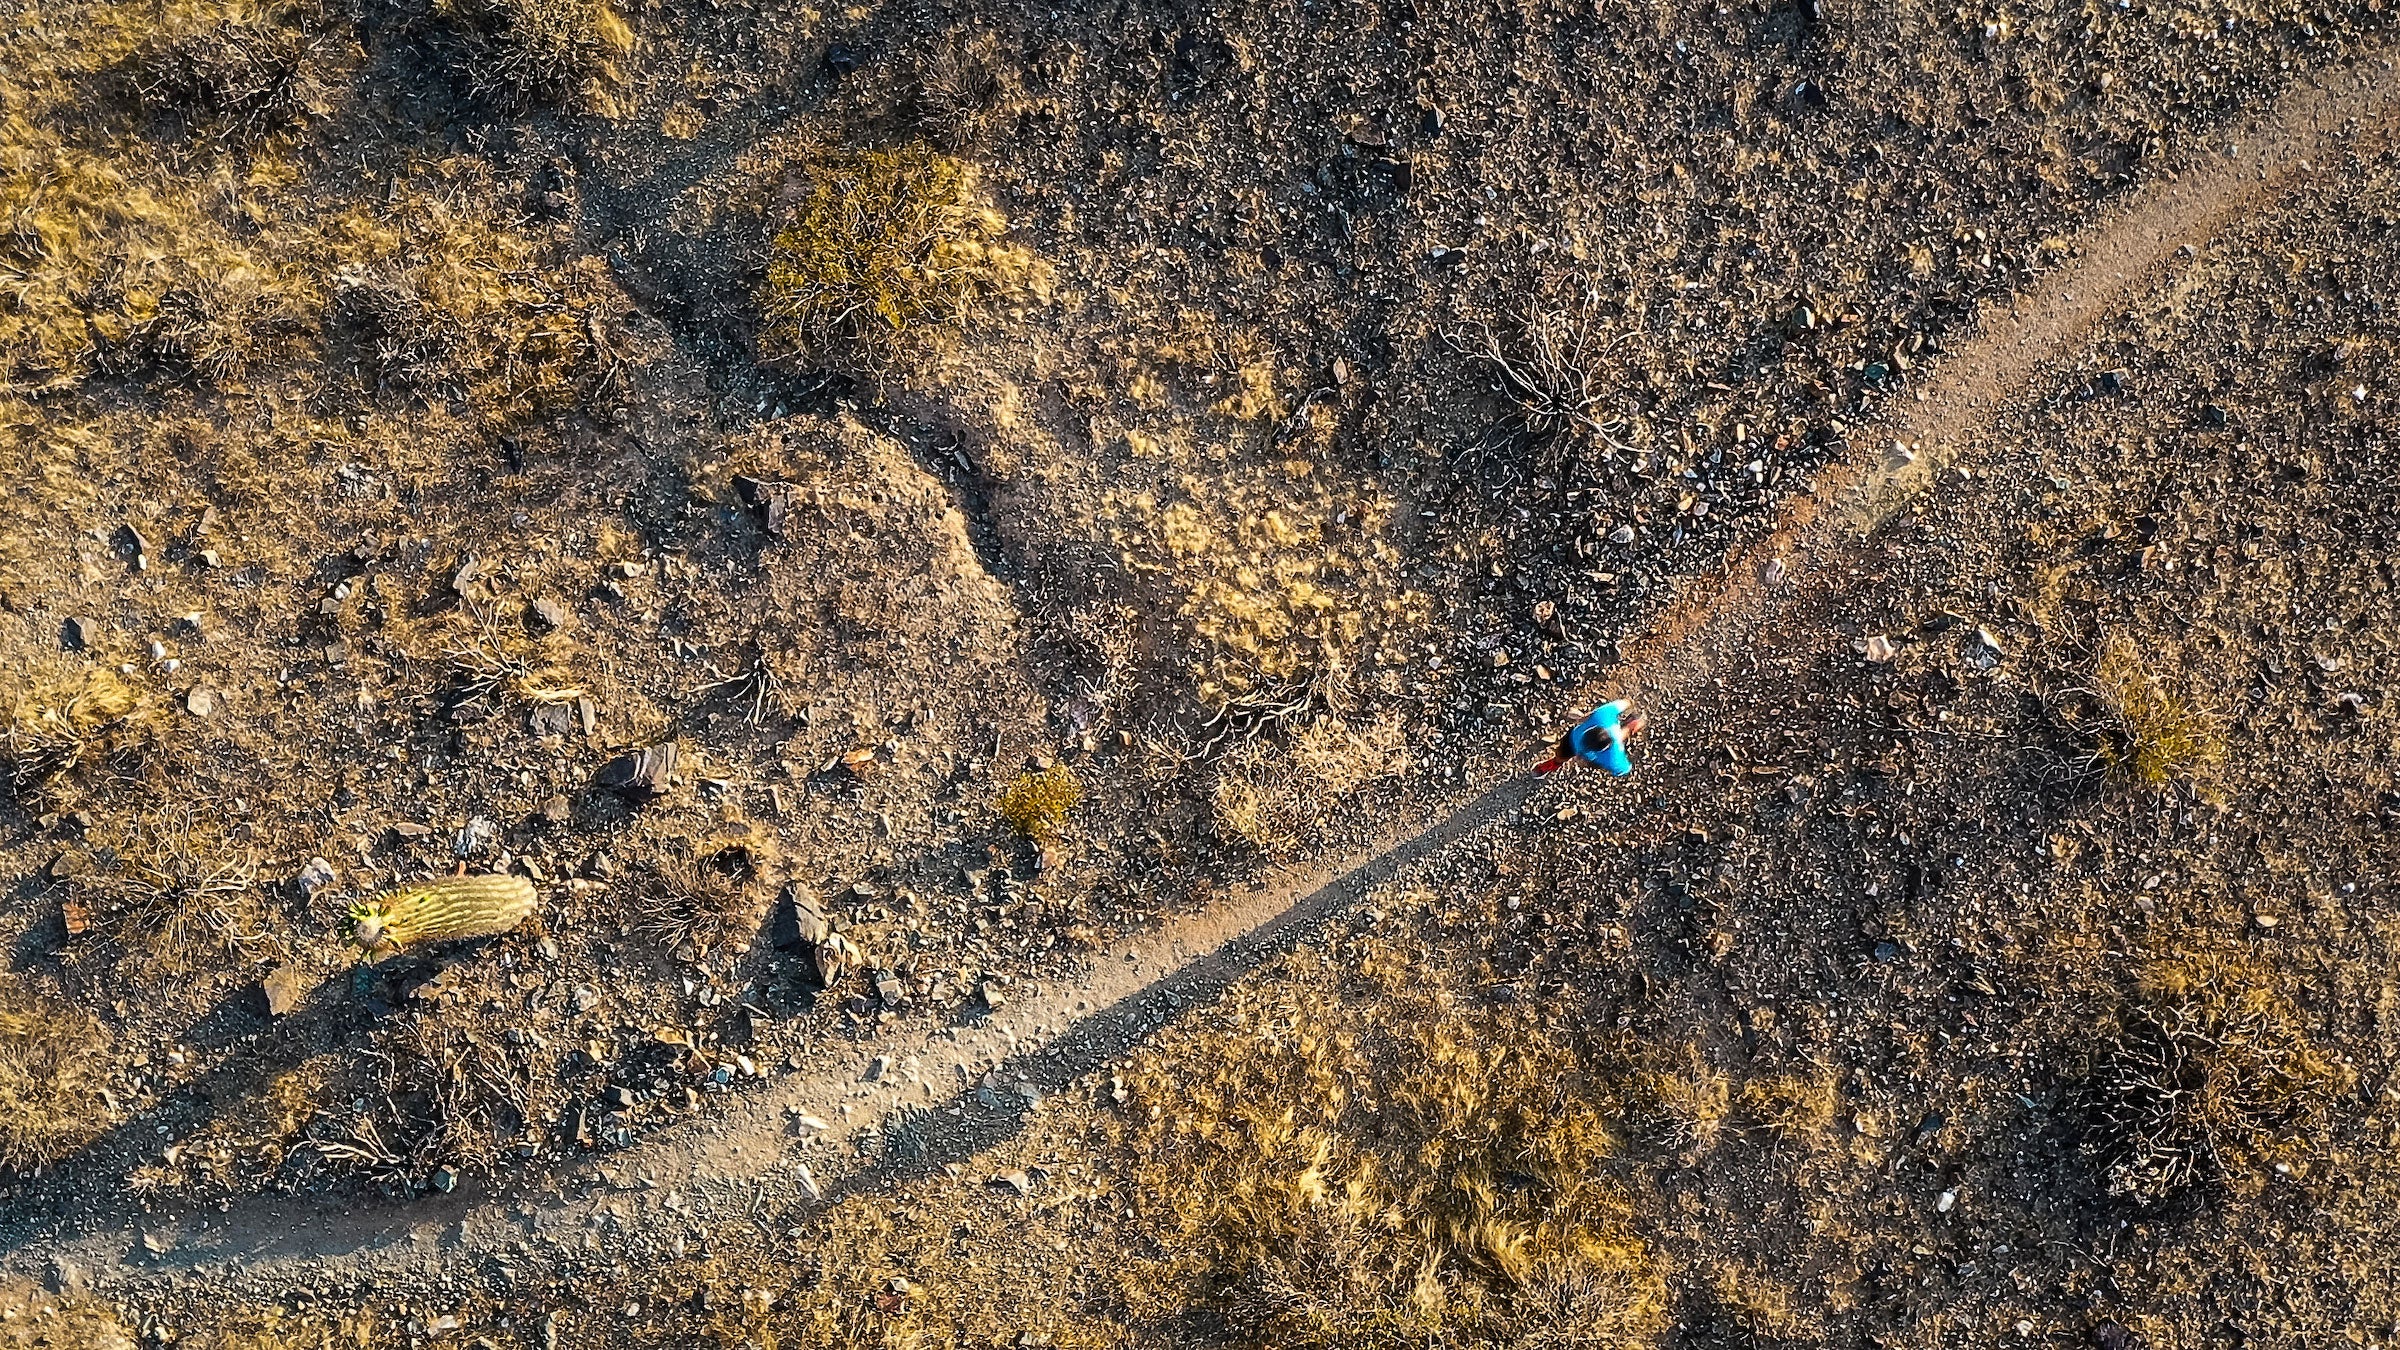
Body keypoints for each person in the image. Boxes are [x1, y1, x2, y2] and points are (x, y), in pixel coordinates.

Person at [1536, 698, 1646, 776]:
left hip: (1572, 739)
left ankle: (1554, 763)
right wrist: (1629, 704)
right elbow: (1624, 769)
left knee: (1561, 754)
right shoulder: (1612, 756)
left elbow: (1622, 703)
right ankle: (1555, 762)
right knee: (1590, 762)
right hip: (1588, 756)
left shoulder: (1602, 716)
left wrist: (1627, 703)